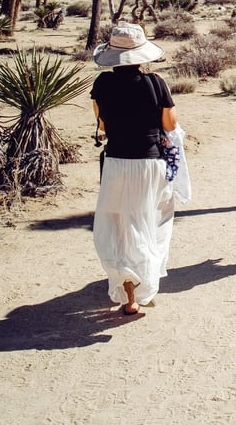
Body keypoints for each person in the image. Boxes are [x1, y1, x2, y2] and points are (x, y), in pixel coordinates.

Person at [91, 23, 178, 315]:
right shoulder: (155, 83)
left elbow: (101, 125)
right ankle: (146, 286)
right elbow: (170, 124)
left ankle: (129, 295)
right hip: (150, 163)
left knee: (118, 227)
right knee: (151, 223)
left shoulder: (102, 85)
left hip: (116, 163)